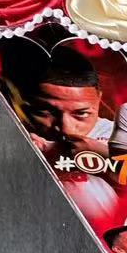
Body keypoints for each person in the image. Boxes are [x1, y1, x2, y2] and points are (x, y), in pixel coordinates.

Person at [14, 52, 117, 225]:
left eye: (81, 113)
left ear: (99, 99)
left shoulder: (122, 137)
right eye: (45, 112)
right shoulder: (13, 136)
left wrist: (103, 155)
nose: (66, 128)